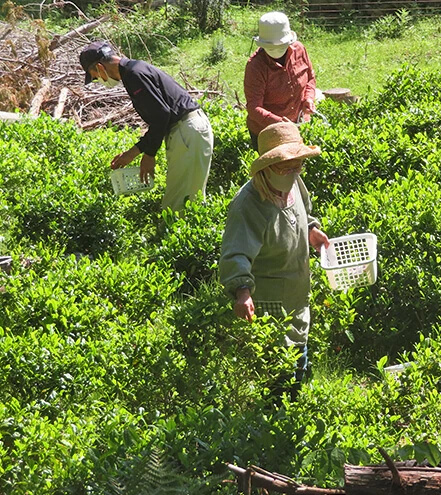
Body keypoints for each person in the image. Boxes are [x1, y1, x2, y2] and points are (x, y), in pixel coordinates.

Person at [219, 121, 329, 388]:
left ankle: (295, 397)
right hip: (268, 300)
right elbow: (236, 251)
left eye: (297, 164)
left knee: (298, 355)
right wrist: (242, 291)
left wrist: (311, 229)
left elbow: (303, 212)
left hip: (297, 290)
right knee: (276, 370)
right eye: (285, 166)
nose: (293, 171)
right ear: (267, 168)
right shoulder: (249, 204)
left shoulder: (293, 182)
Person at [79, 41, 214, 213]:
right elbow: (162, 115)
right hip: (188, 130)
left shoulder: (134, 75)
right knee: (188, 201)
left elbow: (162, 116)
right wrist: (133, 153)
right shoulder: (133, 70)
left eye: (95, 76)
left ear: (100, 67)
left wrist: (149, 154)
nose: (98, 80)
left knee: (177, 207)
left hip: (187, 130)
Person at [244, 12, 317, 151]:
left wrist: (308, 98)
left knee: (298, 168)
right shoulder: (256, 66)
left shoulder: (299, 50)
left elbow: (310, 78)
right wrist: (280, 123)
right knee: (274, 171)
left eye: (281, 46)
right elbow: (254, 108)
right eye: (271, 47)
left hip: (299, 123)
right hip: (268, 132)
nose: (276, 50)